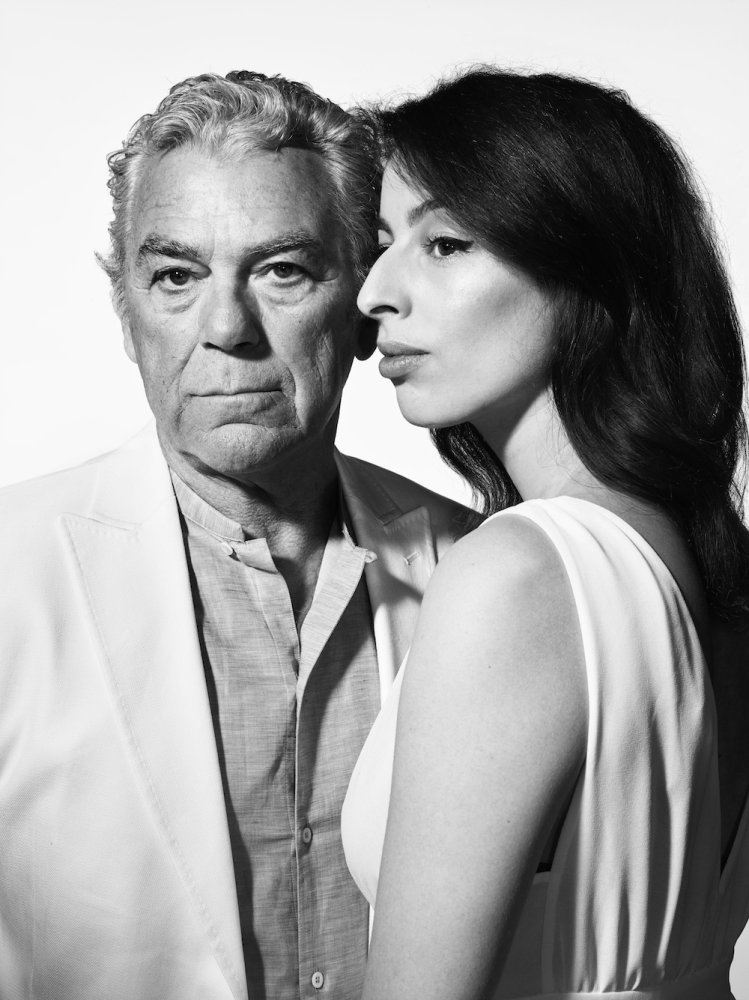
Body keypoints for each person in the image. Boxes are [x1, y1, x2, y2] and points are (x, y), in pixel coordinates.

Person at [0, 70, 468, 1000]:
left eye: (282, 270)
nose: (226, 328)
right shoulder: (11, 572)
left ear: (363, 303)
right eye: (176, 276)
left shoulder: (476, 561)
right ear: (125, 310)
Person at [342, 68, 749, 999]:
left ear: (584, 267)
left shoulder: (517, 577)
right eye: (380, 246)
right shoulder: (716, 570)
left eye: (444, 244)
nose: (373, 294)